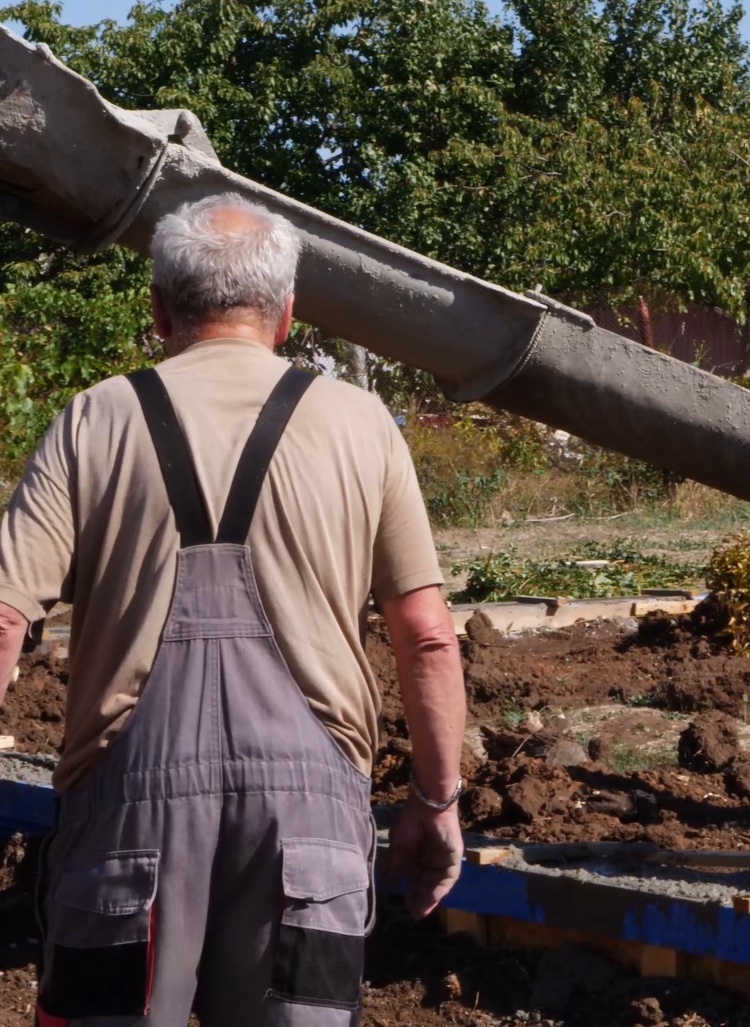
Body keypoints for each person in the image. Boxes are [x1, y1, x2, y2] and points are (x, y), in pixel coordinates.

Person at [0, 194, 467, 1024]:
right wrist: (435, 803)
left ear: (158, 311)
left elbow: (3, 616)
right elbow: (428, 637)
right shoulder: (361, 425)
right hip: (309, 815)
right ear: (286, 313)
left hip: (126, 806)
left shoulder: (95, 418)